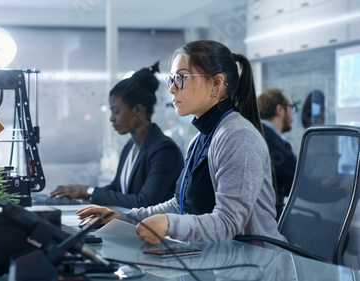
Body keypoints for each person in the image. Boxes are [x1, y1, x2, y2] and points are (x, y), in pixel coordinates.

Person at [77, 40, 285, 244]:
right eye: (172, 79)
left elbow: (228, 223)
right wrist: (122, 218)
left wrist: (169, 224)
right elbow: (180, 205)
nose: (172, 89)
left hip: (255, 264)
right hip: (217, 259)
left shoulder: (238, 136)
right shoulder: (200, 139)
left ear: (216, 83)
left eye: (182, 78)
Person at [49, 62, 184, 209]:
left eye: (116, 111)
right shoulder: (130, 146)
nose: (111, 118)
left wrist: (88, 192)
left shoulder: (163, 150)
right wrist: (81, 191)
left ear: (138, 110)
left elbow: (145, 202)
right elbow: (118, 188)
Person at [257, 88, 297, 218]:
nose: (293, 113)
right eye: (292, 107)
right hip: (269, 222)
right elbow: (300, 187)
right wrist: (342, 189)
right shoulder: (277, 144)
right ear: (279, 109)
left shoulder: (252, 133)